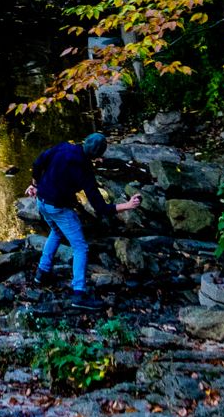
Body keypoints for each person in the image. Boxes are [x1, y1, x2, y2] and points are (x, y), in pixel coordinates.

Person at [25, 131, 141, 307]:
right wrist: (128, 205)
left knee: (56, 231)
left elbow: (37, 163)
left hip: (41, 202)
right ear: (98, 155)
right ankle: (79, 294)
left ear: (85, 141)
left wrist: (35, 185)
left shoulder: (63, 147)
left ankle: (42, 273)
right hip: (58, 208)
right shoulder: (85, 171)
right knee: (80, 247)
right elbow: (100, 208)